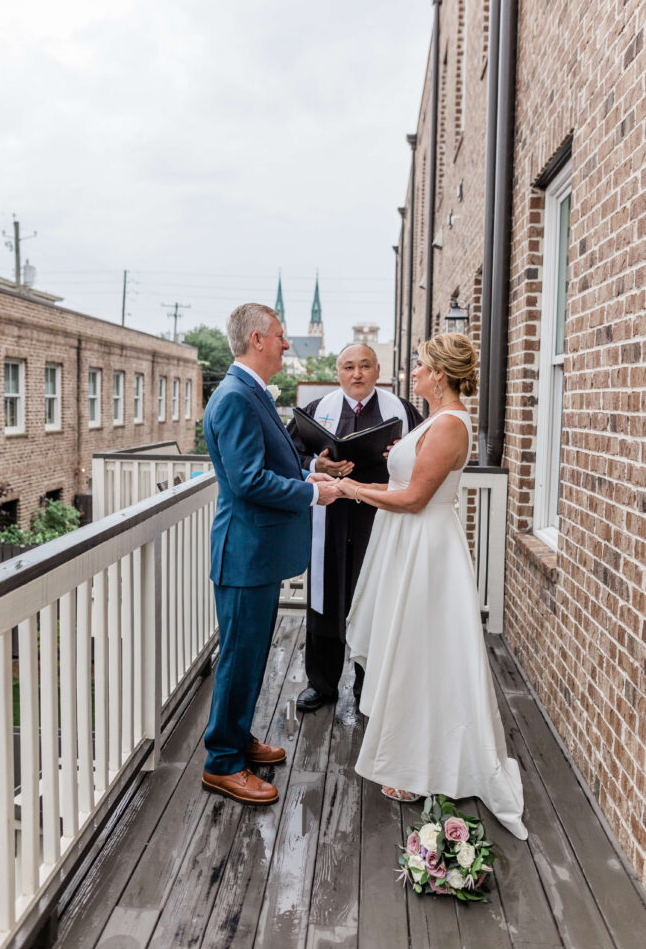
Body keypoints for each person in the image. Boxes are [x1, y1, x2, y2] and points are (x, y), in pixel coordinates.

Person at [339, 333, 527, 839]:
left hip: (427, 549)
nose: (414, 371)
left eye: (420, 365)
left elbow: (415, 499)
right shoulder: (434, 421)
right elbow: (403, 487)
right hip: (411, 544)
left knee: (423, 649)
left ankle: (419, 762)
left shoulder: (448, 425)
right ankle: (414, 749)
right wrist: (348, 486)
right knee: (411, 646)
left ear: (440, 374)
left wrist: (351, 489)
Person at [201, 303, 340, 806]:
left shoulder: (250, 392)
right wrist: (311, 495)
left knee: (253, 654)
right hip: (244, 553)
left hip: (256, 552)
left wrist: (307, 475)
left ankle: (237, 738)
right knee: (239, 659)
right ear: (257, 339)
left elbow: (270, 463)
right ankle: (221, 762)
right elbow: (247, 480)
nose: (287, 344)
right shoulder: (236, 397)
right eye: (280, 336)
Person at [287, 344, 422, 713]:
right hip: (328, 517)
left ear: (377, 369)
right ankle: (322, 684)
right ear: (338, 371)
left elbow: (425, 456)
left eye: (365, 366)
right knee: (325, 598)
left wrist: (399, 453)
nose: (357, 374)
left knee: (375, 597)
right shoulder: (318, 411)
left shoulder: (402, 412)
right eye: (349, 367)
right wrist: (318, 462)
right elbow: (289, 454)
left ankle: (369, 686)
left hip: (377, 518)